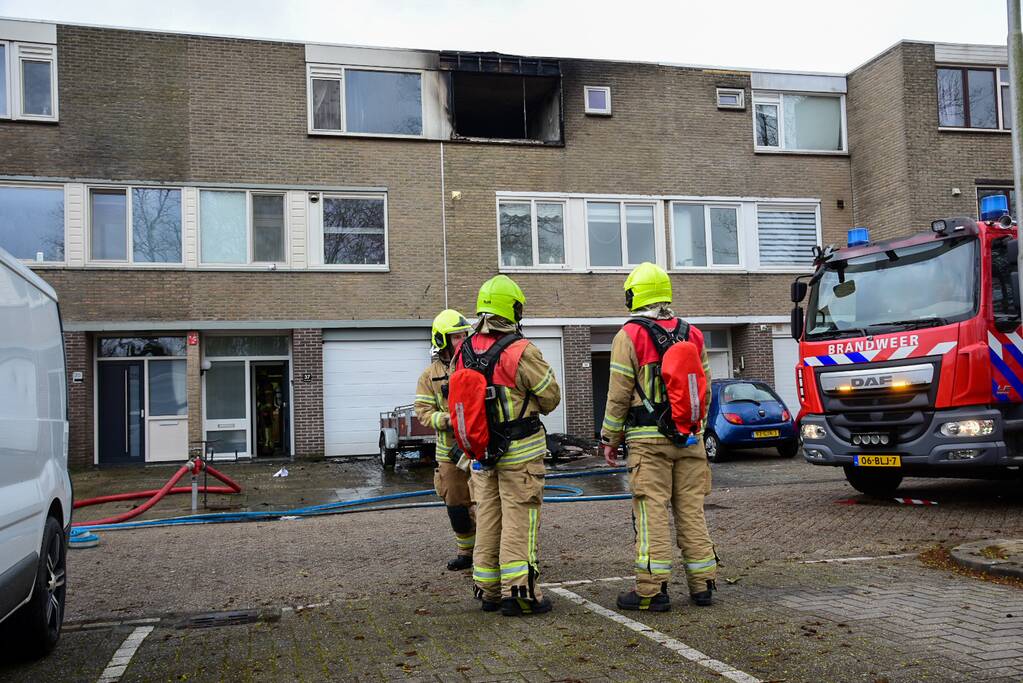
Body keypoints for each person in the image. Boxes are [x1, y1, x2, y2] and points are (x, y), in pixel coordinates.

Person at [600, 262, 718, 612]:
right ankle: (703, 584)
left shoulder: (629, 336)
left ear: (634, 296)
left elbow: (619, 393)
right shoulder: (692, 334)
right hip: (690, 437)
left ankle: (651, 590)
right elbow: (706, 389)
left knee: (651, 510)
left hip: (648, 441)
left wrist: (610, 438)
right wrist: (695, 428)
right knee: (692, 510)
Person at [453, 275, 561, 616]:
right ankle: (521, 593)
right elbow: (551, 397)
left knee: (487, 519)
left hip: (481, 454)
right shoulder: (521, 350)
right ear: (512, 309)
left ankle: (488, 590)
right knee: (519, 520)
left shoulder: (463, 350)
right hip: (520, 454)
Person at [415, 309, 475, 571]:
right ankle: (466, 551)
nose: (461, 339)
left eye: (464, 334)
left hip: (478, 446)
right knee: (455, 501)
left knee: (488, 500)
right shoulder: (430, 376)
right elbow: (423, 413)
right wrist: (450, 419)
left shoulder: (476, 364)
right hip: (449, 450)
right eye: (455, 336)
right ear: (441, 339)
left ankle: (493, 550)